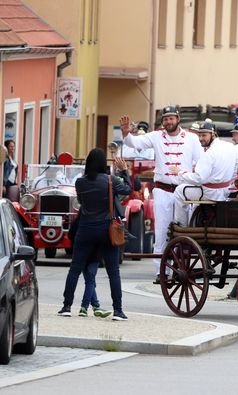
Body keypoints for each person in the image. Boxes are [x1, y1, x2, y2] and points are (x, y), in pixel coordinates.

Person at [120, 106, 201, 282]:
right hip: (163, 190)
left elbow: (201, 162)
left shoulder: (192, 139)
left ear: (178, 119)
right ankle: (161, 271)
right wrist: (126, 134)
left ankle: (182, 268)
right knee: (162, 231)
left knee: (183, 230)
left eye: (171, 118)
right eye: (165, 119)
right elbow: (136, 143)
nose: (168, 122)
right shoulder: (156, 136)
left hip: (183, 191)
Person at [58, 149, 131, 321]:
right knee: (113, 272)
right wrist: (124, 171)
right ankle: (118, 311)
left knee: (75, 268)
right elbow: (128, 189)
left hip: (85, 229)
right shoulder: (110, 180)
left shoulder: (80, 182)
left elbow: (82, 203)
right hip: (107, 229)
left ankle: (67, 306)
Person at [172, 120, 237, 227]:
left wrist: (180, 172)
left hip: (210, 193)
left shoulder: (209, 153)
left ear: (213, 134)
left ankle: (182, 227)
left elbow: (198, 178)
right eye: (199, 135)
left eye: (204, 135)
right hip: (224, 191)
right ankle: (196, 218)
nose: (201, 138)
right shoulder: (229, 146)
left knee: (179, 191)